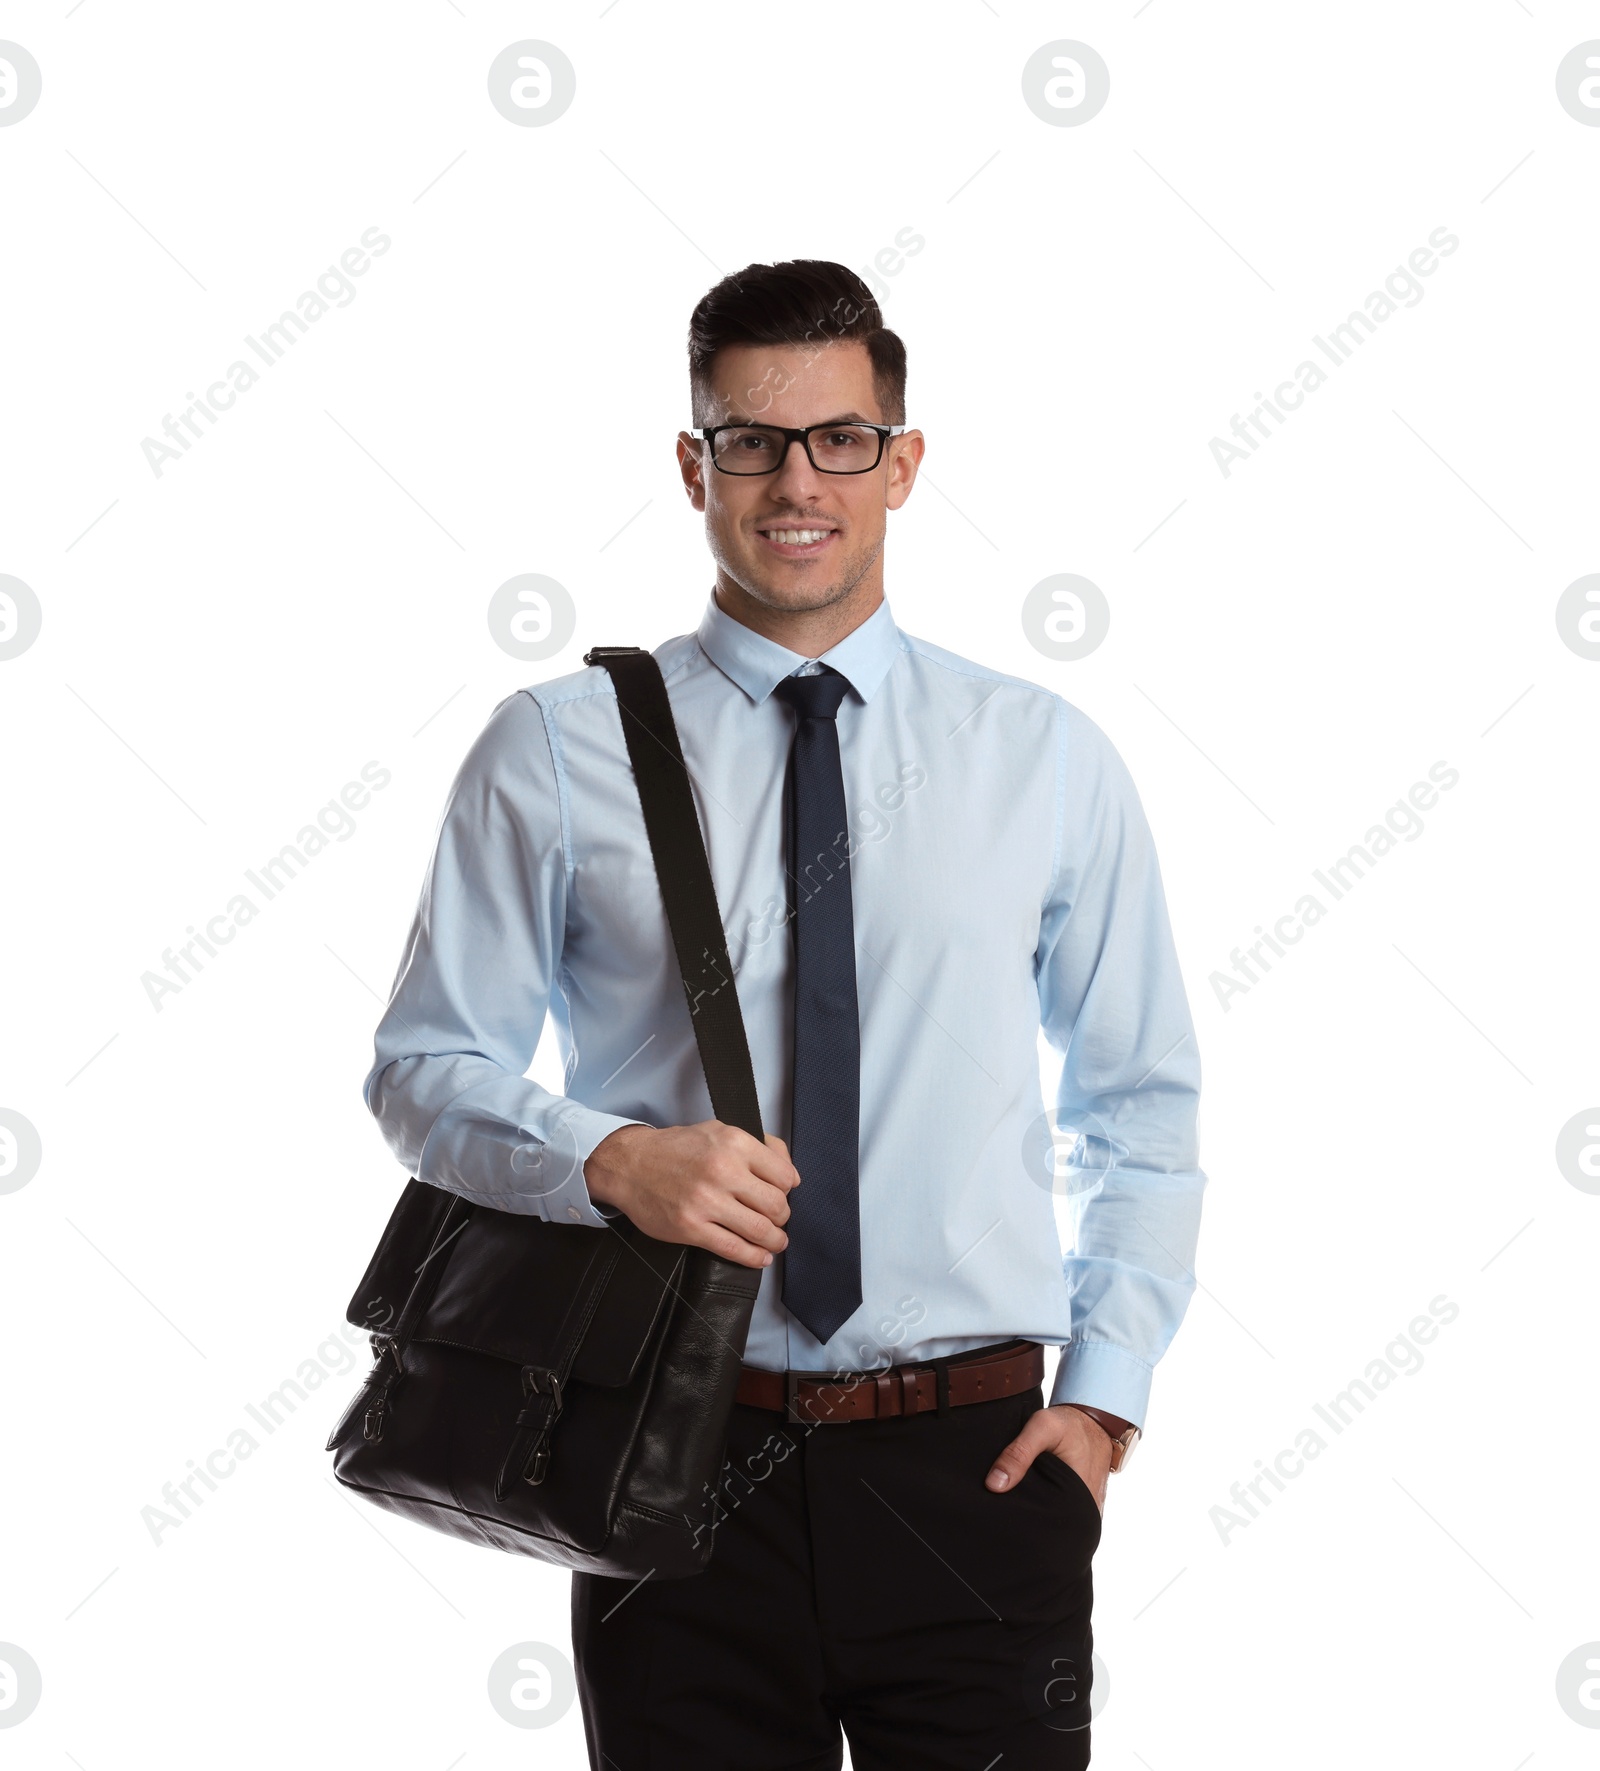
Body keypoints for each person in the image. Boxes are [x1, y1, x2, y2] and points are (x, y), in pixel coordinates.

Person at [364, 259, 1207, 1769]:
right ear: (694, 464)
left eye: (838, 439)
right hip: (665, 1450)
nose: (795, 481)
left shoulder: (1044, 756)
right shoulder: (556, 749)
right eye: (750, 441)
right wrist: (609, 1159)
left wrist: (1106, 1405)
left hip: (983, 1472)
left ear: (903, 463)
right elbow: (424, 1068)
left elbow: (1139, 1103)